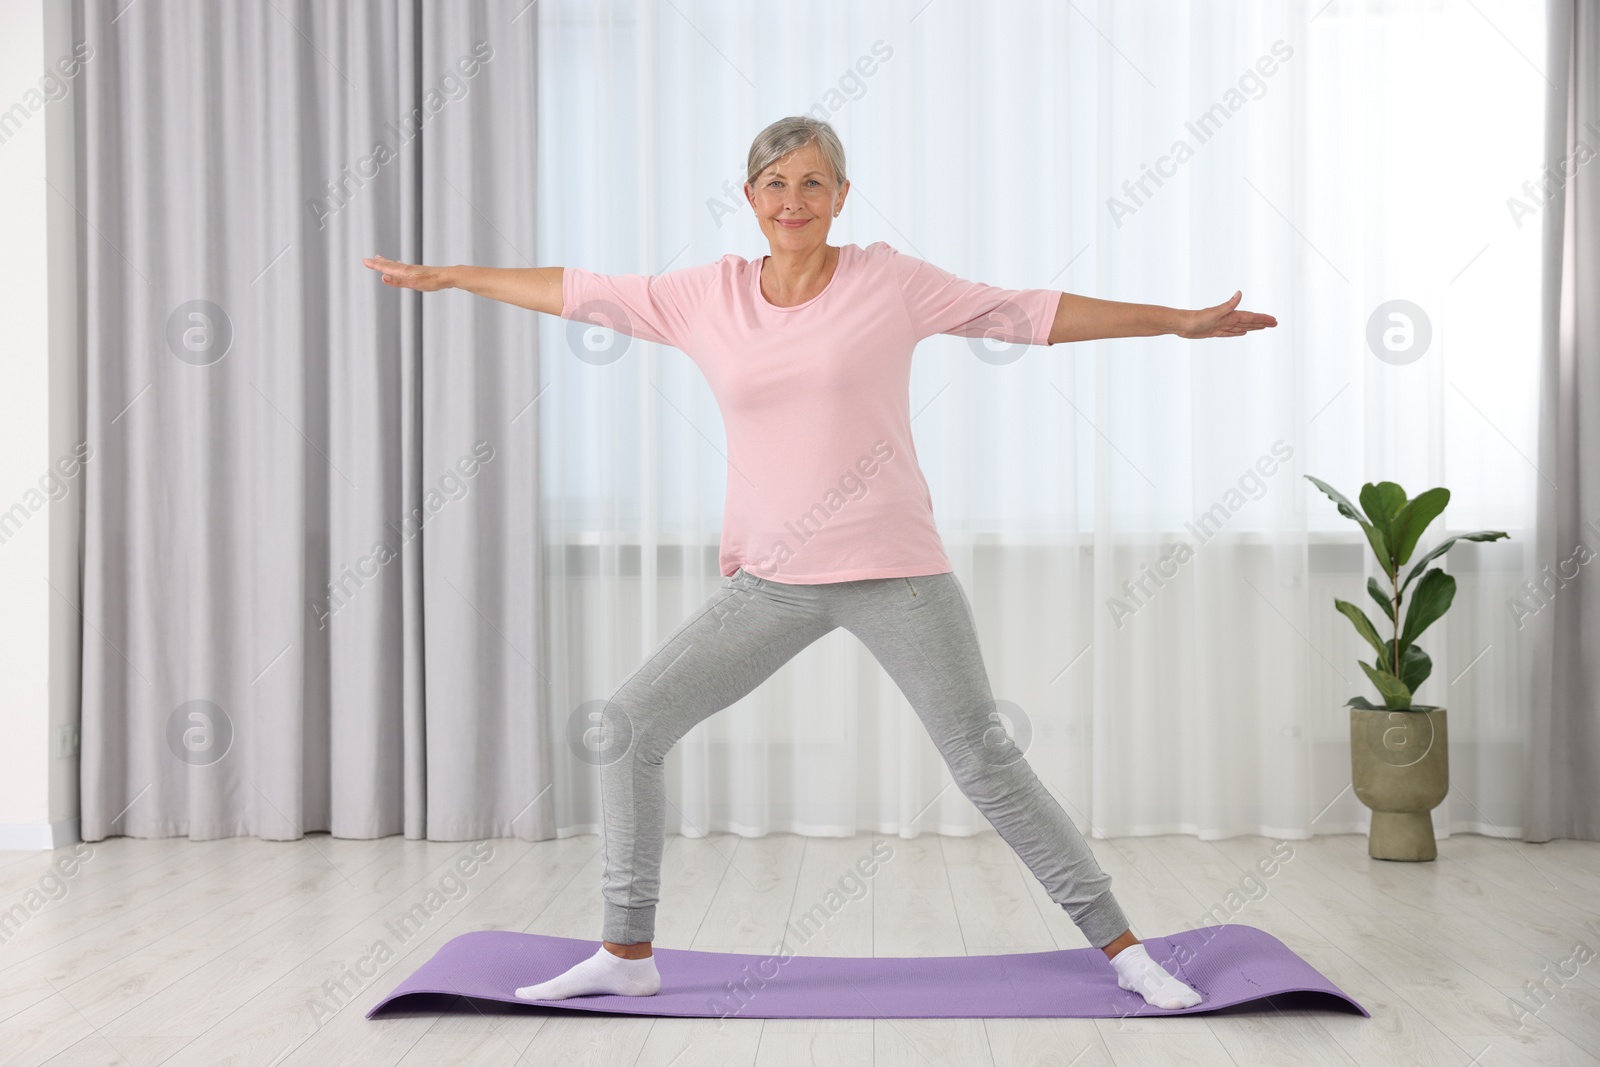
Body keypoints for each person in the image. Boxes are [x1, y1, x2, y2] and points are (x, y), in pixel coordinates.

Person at [362, 115, 1276, 1012]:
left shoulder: (892, 282)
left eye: (811, 182)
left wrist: (1174, 321)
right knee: (632, 727)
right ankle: (626, 950)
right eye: (775, 182)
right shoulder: (703, 296)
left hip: (895, 571)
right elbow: (574, 289)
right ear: (749, 195)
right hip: (770, 582)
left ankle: (1127, 953)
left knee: (987, 764)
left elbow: (1029, 312)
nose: (792, 199)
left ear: (840, 194)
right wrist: (450, 276)